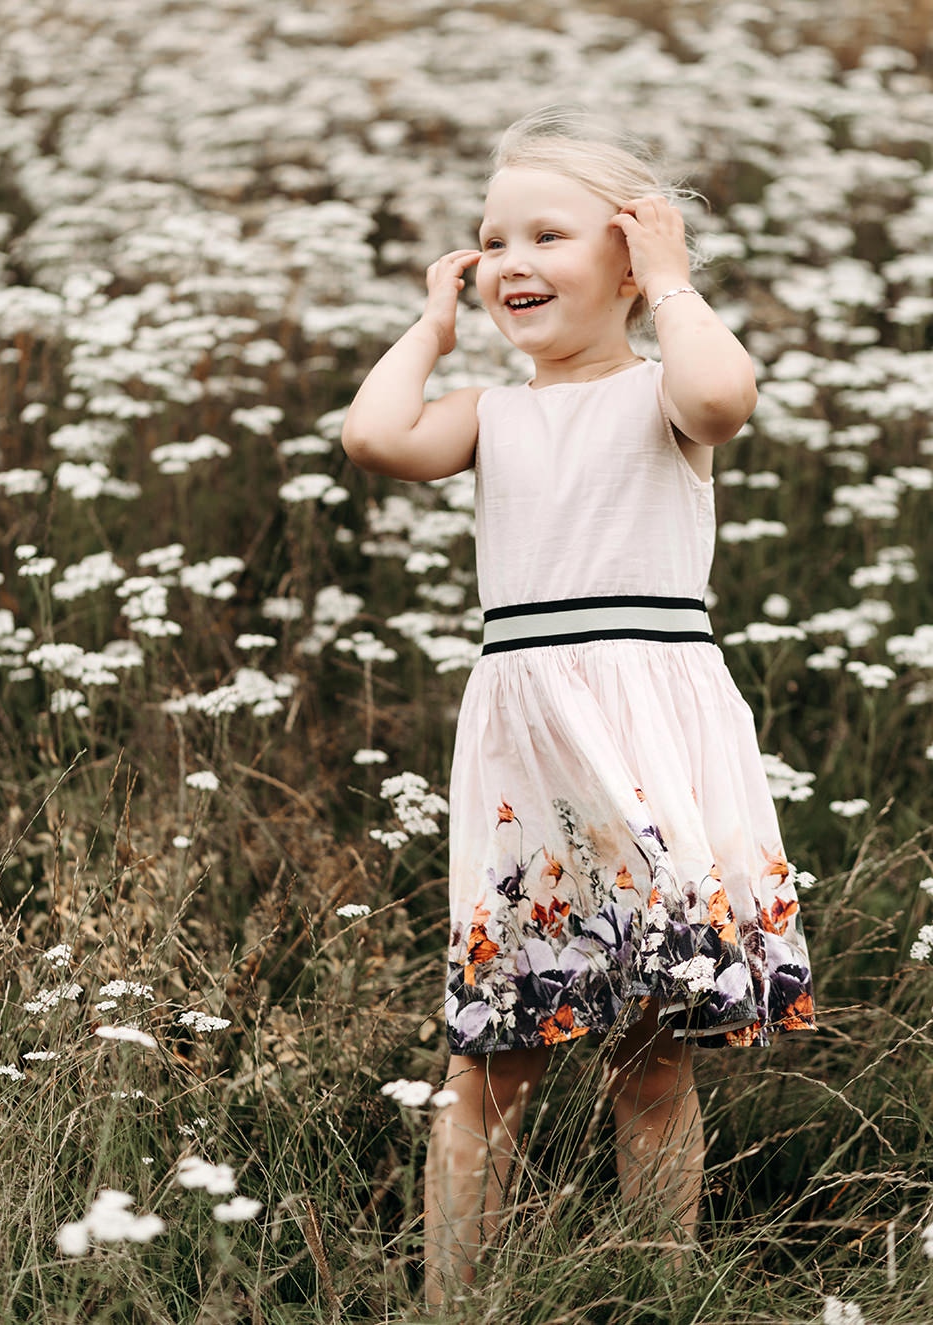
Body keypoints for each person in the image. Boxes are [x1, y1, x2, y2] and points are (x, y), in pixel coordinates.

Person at [341, 106, 815, 1307]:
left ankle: (662, 1285)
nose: (509, 259)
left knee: (651, 1061)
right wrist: (429, 325)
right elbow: (374, 434)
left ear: (625, 254)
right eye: (490, 238)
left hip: (647, 737)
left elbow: (724, 398)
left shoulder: (662, 393)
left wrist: (674, 286)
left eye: (546, 234)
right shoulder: (494, 416)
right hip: (527, 747)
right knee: (483, 1063)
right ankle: (462, 1301)